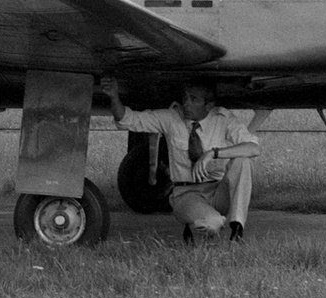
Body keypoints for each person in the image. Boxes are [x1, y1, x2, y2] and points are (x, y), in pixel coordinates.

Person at [101, 77, 270, 242]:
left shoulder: (223, 119)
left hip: (218, 191)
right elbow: (126, 120)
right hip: (186, 194)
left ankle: (237, 228)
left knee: (243, 161)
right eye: (185, 98)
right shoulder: (171, 118)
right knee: (213, 224)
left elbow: (253, 148)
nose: (187, 104)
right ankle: (195, 223)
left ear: (209, 105)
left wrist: (212, 153)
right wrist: (114, 96)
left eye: (194, 99)